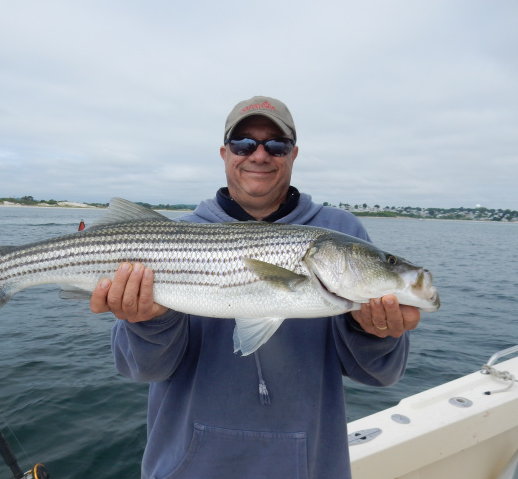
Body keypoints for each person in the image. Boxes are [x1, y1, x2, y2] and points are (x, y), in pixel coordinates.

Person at [90, 96, 421, 478]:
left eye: (275, 144)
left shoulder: (342, 234)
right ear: (224, 153)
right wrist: (148, 322)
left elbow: (380, 375)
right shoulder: (172, 236)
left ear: (294, 153)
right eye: (244, 143)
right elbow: (140, 370)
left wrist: (375, 332)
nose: (259, 155)